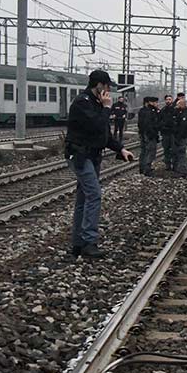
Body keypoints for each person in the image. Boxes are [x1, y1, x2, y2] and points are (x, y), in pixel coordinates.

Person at [65, 70, 135, 258]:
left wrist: (121, 149)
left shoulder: (96, 104)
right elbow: (95, 126)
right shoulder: (82, 103)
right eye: (106, 86)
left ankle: (78, 243)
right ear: (98, 85)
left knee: (83, 199)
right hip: (80, 155)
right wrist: (107, 108)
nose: (108, 90)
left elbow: (104, 134)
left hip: (92, 155)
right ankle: (89, 241)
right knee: (94, 195)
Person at [137, 96, 160, 176]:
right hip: (150, 134)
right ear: (150, 102)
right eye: (155, 102)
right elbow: (149, 124)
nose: (157, 104)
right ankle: (147, 169)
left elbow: (140, 124)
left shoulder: (142, 110)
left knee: (143, 151)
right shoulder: (150, 112)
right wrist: (153, 133)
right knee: (150, 151)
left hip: (143, 133)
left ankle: (142, 168)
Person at [171, 94, 187, 176]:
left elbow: (183, 126)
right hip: (180, 136)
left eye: (178, 105)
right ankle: (179, 169)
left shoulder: (185, 114)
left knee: (181, 153)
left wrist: (178, 136)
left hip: (183, 136)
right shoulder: (179, 112)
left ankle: (182, 170)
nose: (176, 106)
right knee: (178, 152)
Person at [160, 94, 177, 171]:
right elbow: (160, 120)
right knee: (166, 149)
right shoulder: (163, 110)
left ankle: (174, 165)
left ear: (172, 100)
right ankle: (168, 165)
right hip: (165, 133)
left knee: (174, 149)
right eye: (167, 99)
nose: (168, 101)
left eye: (169, 99)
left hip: (173, 133)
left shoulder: (175, 110)